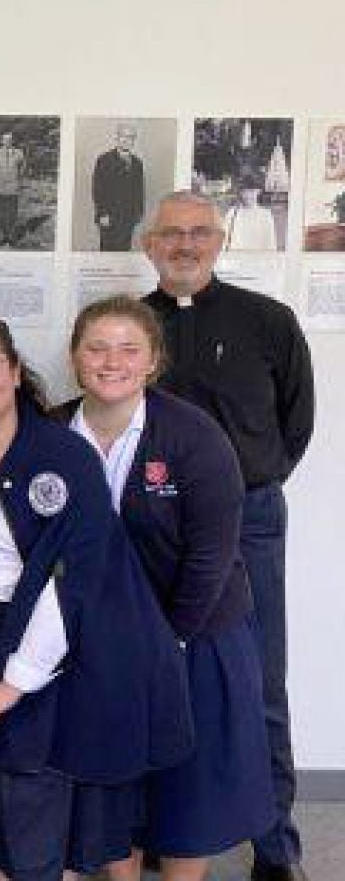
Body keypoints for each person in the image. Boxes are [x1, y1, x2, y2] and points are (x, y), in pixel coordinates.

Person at [0, 314, 192, 881]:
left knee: (39, 819)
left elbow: (71, 587)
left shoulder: (66, 458)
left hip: (52, 655)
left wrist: (11, 687)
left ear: (12, 371)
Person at [58, 296, 275, 881]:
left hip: (192, 634)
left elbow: (212, 554)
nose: (111, 362)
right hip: (94, 643)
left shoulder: (194, 436)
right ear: (75, 356)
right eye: (97, 348)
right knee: (111, 784)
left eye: (130, 349)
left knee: (189, 791)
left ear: (154, 360)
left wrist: (169, 640)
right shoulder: (51, 431)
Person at [141, 191, 314, 881]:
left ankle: (276, 849)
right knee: (159, 676)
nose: (185, 245)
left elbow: (294, 427)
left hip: (248, 521)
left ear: (219, 241)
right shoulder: (130, 326)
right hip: (153, 526)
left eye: (198, 233)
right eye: (171, 235)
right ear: (150, 245)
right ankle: (163, 832)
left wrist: (246, 487)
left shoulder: (268, 321)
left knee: (259, 684)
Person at [92, 124, 146, 251]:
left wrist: (138, 213)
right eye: (124, 136)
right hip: (109, 217)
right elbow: (98, 189)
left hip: (129, 218)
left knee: (124, 253)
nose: (127, 140)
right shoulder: (104, 160)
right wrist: (102, 213)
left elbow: (139, 190)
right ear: (117, 138)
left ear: (134, 141)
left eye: (131, 137)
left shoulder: (137, 163)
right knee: (108, 252)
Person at [0, 133, 25, 247]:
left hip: (13, 187)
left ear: (12, 141)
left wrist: (17, 176)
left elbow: (23, 166)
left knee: (12, 214)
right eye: (5, 140)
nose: (7, 142)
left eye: (9, 140)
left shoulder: (18, 153)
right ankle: (1, 237)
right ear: (2, 141)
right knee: (0, 214)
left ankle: (11, 237)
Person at [222, 175, 279, 251]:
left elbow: (271, 244)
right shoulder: (232, 214)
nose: (248, 196)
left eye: (252, 192)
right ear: (241, 193)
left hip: (258, 259)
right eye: (245, 192)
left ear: (258, 192)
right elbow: (224, 241)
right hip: (236, 258)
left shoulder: (266, 215)